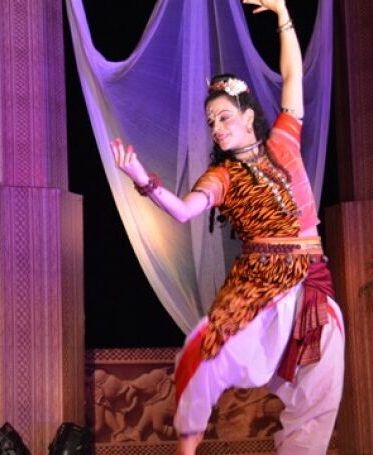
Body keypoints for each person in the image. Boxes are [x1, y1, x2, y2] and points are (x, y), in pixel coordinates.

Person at [109, 1, 345, 454]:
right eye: (211, 122)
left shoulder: (284, 141)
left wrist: (283, 15)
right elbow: (183, 211)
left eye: (224, 117)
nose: (216, 128)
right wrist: (142, 178)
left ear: (249, 116)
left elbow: (292, 77)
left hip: (313, 277)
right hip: (260, 283)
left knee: (322, 391)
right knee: (202, 358)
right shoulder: (223, 176)